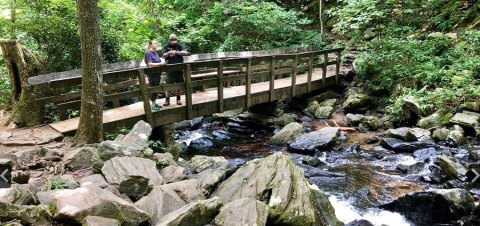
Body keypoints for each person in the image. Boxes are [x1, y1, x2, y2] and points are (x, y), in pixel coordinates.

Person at [162, 34, 188, 106]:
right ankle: (167, 100)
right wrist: (169, 52)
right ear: (169, 40)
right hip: (170, 69)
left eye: (175, 40)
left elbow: (185, 53)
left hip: (179, 68)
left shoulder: (179, 45)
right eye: (172, 40)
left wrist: (176, 52)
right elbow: (163, 55)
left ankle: (178, 99)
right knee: (169, 85)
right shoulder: (166, 46)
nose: (174, 42)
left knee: (179, 84)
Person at [144, 39, 166, 111]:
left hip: (157, 73)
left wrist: (163, 61)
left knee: (156, 88)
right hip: (152, 74)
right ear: (150, 45)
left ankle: (155, 103)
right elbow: (150, 64)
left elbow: (158, 60)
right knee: (153, 88)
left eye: (156, 43)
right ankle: (152, 106)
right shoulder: (148, 53)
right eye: (154, 43)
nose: (156, 44)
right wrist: (161, 64)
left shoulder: (155, 52)